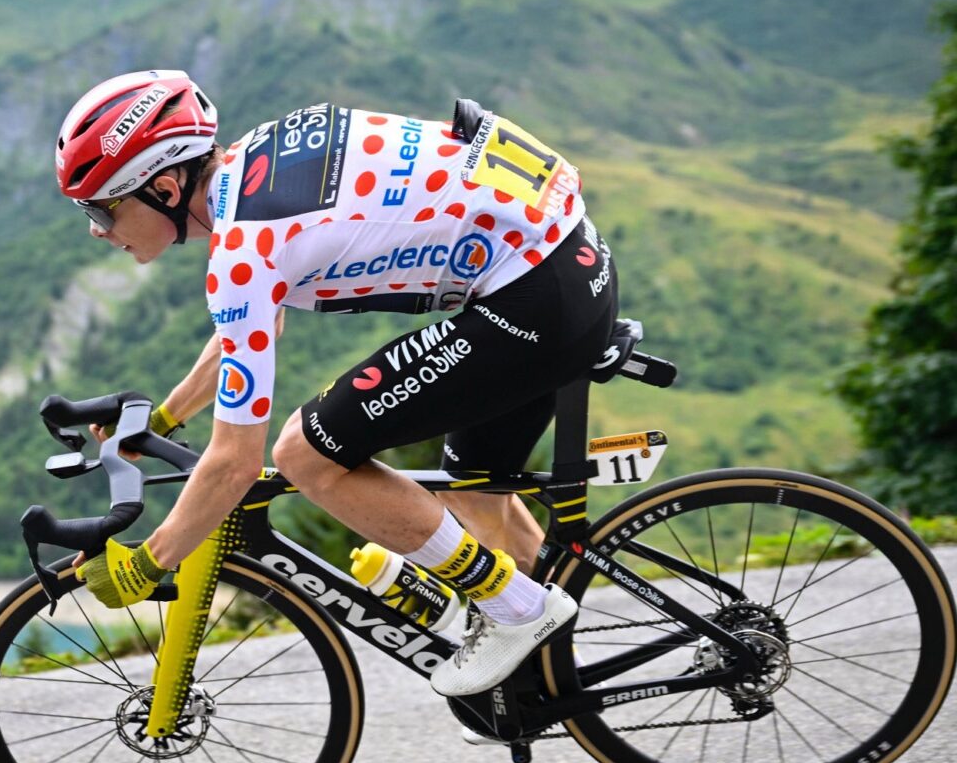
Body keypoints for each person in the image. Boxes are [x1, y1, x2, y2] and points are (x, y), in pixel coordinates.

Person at [56, 69, 617, 697]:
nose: (96, 229)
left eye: (100, 208)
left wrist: (148, 563)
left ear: (164, 188)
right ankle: (548, 682)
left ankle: (518, 609)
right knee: (478, 494)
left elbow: (234, 463)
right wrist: (167, 416)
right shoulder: (251, 165)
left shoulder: (244, 248)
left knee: (305, 453)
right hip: (568, 263)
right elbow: (249, 328)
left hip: (533, 298)